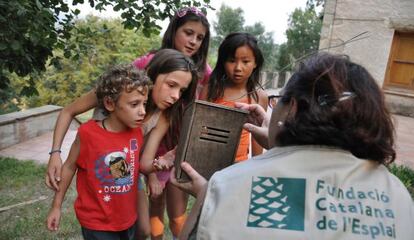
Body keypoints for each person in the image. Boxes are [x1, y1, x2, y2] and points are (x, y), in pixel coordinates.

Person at [172, 53, 414, 239]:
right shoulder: (396, 194)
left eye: (278, 101)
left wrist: (207, 196)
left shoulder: (227, 186)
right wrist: (280, 137)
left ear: (293, 108)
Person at [45, 6, 210, 239]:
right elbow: (68, 111)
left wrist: (162, 163)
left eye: (181, 91)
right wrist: (55, 153)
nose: (176, 95)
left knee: (140, 228)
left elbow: (144, 162)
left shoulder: (164, 114)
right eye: (171, 86)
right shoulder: (123, 87)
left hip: (128, 166)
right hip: (102, 159)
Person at [46, 64, 151, 239]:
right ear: (110, 103)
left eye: (144, 104)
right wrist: (56, 206)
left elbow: (134, 170)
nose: (143, 111)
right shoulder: (88, 134)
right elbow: (70, 166)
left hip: (128, 220)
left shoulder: (137, 133)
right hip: (97, 223)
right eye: (134, 104)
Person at [200, 32, 268, 161]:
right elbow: (199, 128)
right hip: (208, 161)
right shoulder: (212, 90)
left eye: (245, 61)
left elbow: (257, 137)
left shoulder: (259, 97)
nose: (238, 68)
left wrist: (256, 167)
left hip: (239, 165)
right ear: (223, 62)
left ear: (255, 63)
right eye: (231, 61)